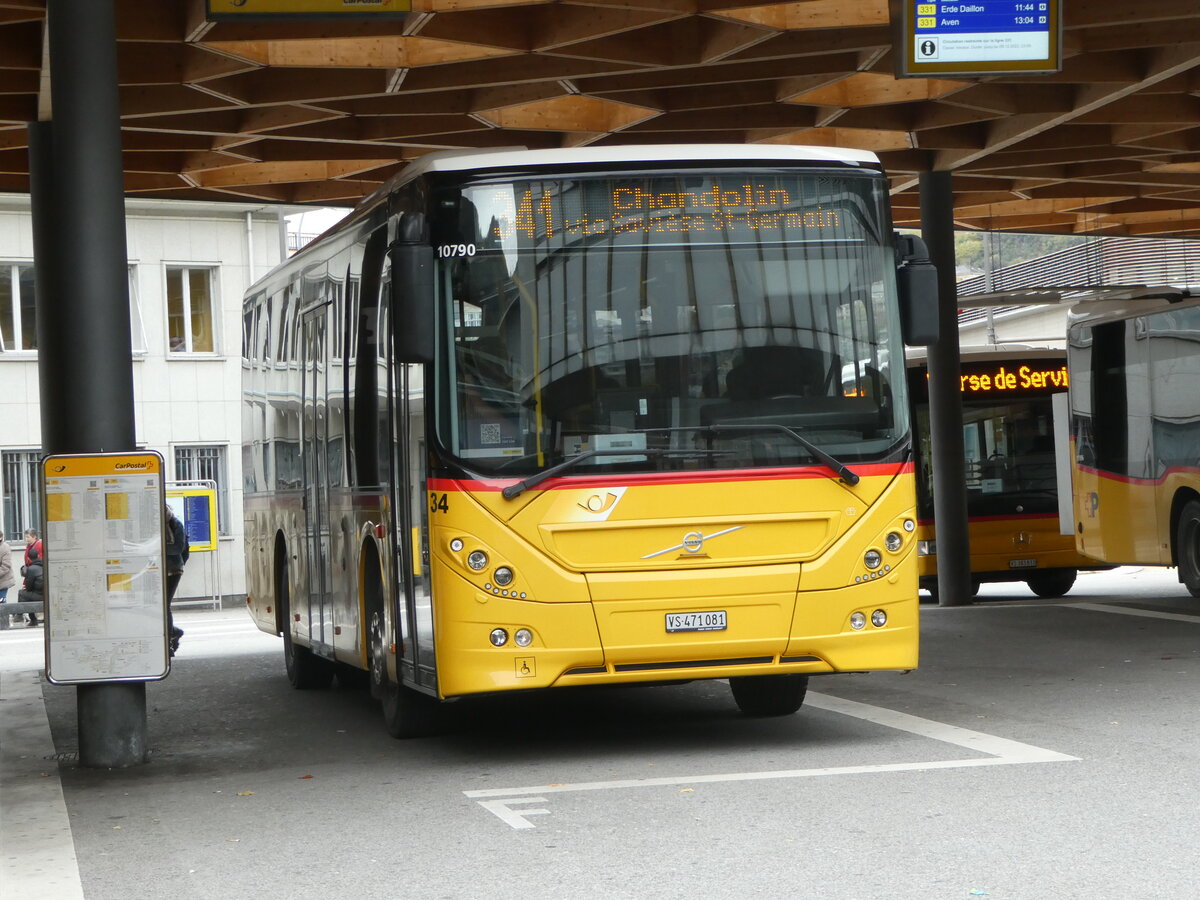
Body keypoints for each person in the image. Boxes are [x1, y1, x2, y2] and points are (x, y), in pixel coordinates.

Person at [165, 504, 189, 655]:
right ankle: (174, 632)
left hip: (174, 570)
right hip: (158, 571)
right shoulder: (155, 526)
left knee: (164, 605)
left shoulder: (175, 523)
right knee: (160, 607)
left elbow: (179, 548)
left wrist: (160, 547)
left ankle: (168, 641)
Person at [18, 543, 43, 626]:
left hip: (39, 595)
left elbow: (29, 588)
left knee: (22, 593)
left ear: (28, 558)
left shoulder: (31, 569)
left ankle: (28, 618)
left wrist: (26, 587)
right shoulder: (44, 565)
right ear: (38, 556)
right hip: (46, 595)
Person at [0, 535, 16, 627]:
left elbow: (6, 566)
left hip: (3, 580)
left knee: (1, 601)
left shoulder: (5, 548)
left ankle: (4, 622)